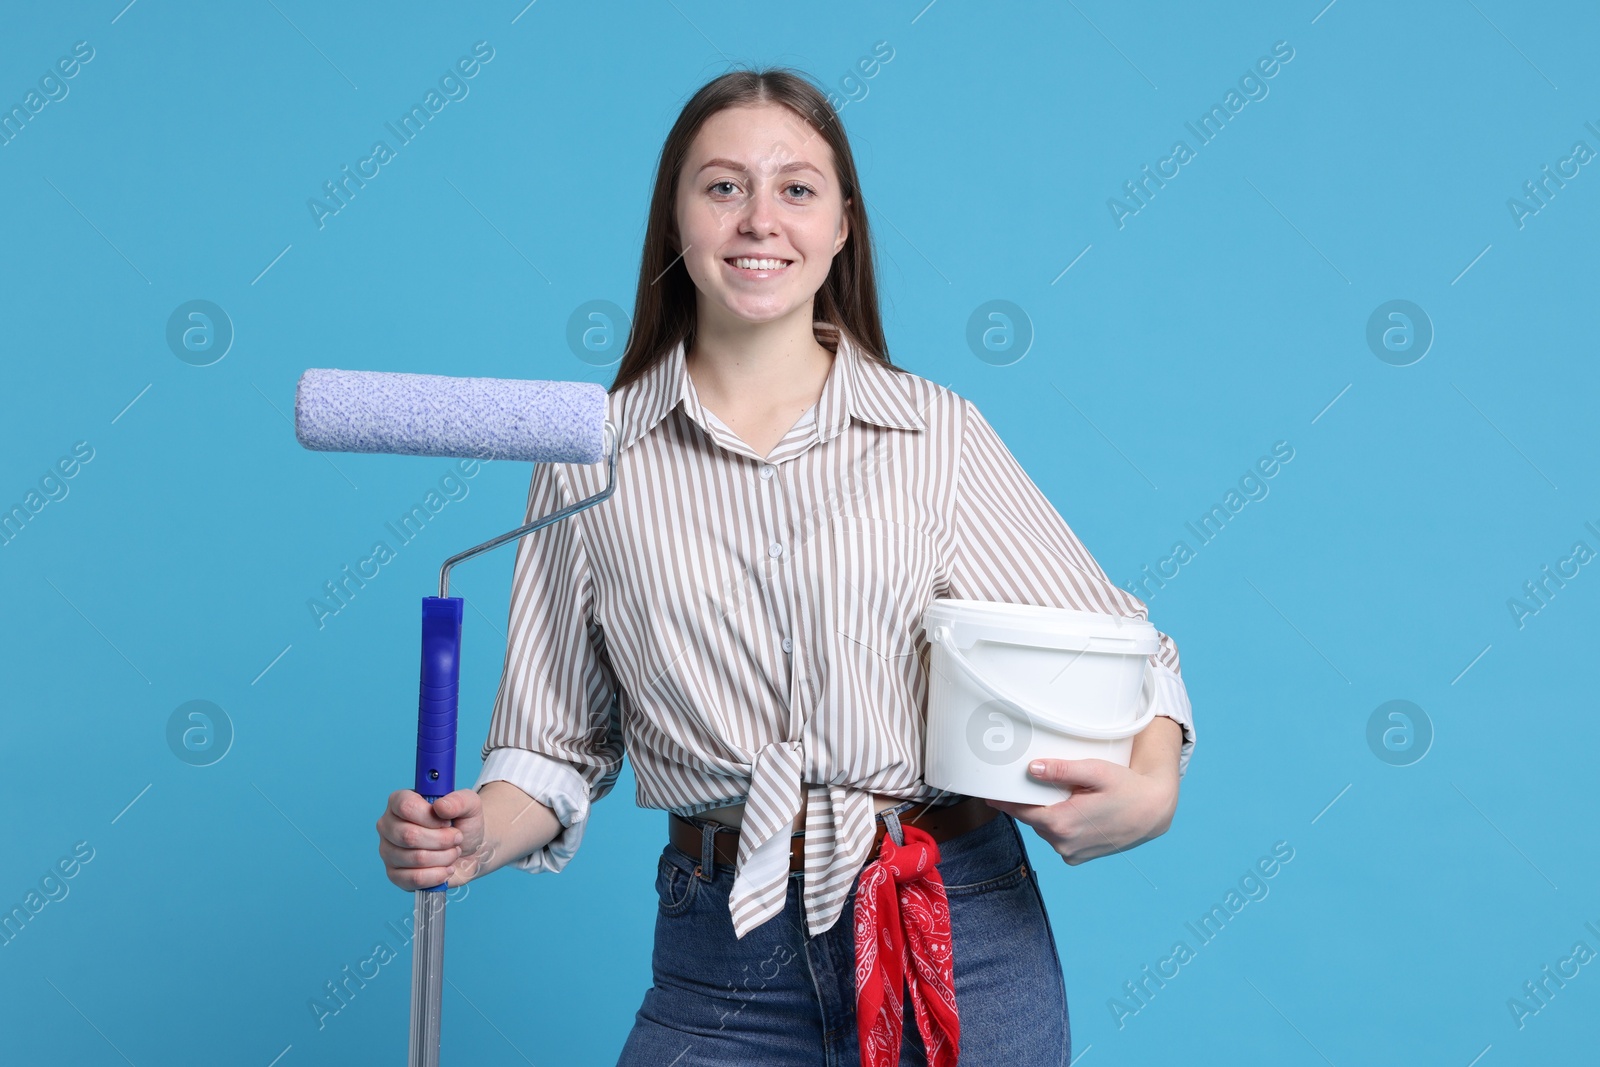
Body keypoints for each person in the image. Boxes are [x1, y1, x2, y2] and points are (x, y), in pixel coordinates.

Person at [376, 67, 1195, 1066]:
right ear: (674, 217)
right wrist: (470, 837)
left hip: (948, 924)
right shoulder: (588, 456)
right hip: (719, 947)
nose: (760, 218)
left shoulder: (931, 435)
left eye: (796, 189)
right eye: (722, 186)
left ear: (842, 224)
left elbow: (1128, 651)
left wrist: (1152, 781)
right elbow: (552, 745)